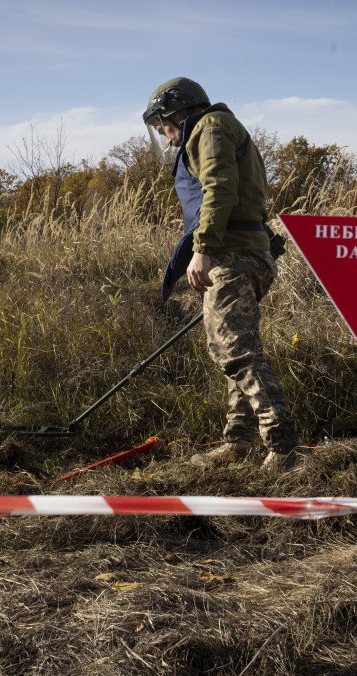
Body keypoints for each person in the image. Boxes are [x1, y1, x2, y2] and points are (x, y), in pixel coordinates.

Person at [143, 77, 303, 470]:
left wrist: (204, 249)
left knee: (235, 351)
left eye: (163, 126)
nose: (165, 138)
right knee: (233, 349)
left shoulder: (210, 128)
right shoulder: (219, 127)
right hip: (243, 252)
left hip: (231, 255)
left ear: (176, 112)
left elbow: (220, 189)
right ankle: (238, 442)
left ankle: (282, 447)